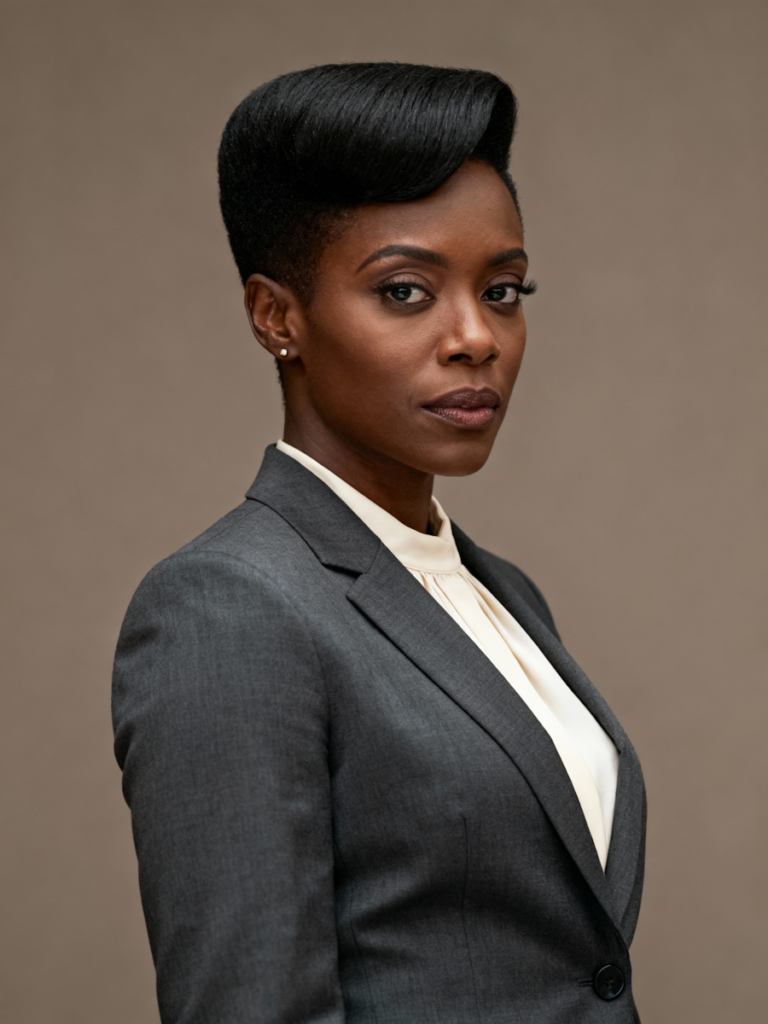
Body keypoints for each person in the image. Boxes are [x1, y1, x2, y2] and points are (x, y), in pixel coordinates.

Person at [112, 63, 646, 1024]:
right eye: (405, 291)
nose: (476, 336)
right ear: (278, 316)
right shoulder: (229, 605)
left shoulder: (505, 594)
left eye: (506, 289)